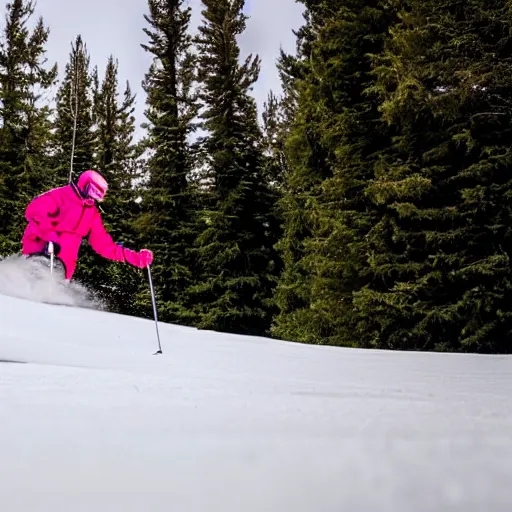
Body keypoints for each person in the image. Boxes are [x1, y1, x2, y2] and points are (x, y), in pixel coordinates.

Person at [21, 170, 153, 281]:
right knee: (35, 280)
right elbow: (35, 212)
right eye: (93, 191)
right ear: (84, 185)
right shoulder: (61, 196)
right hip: (42, 248)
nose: (94, 197)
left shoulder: (92, 214)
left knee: (54, 292)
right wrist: (50, 236)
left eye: (99, 195)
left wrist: (134, 258)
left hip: (63, 267)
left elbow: (104, 245)